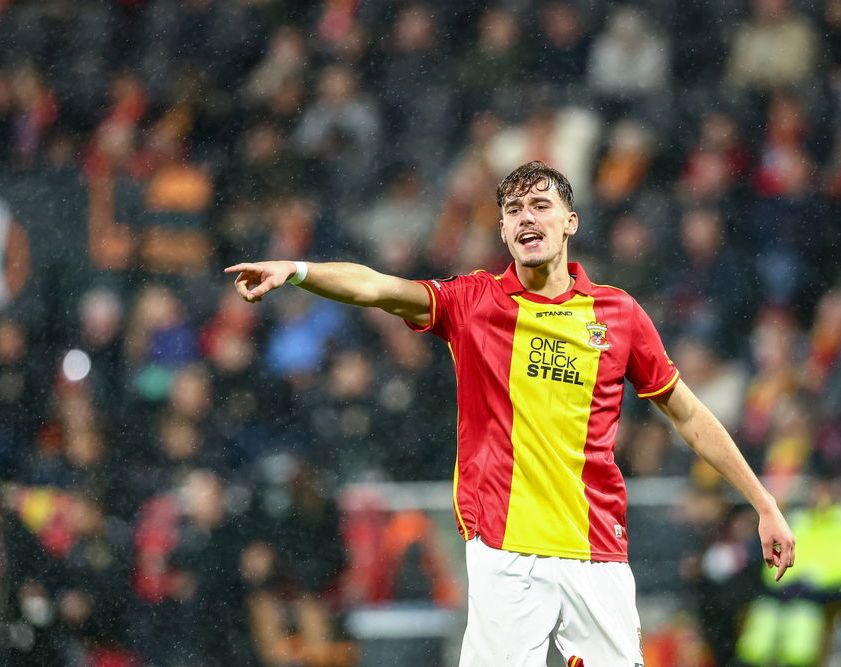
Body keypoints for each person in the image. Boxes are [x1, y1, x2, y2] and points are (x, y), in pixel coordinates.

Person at [225, 161, 796, 666]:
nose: (527, 217)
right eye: (514, 209)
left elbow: (688, 415)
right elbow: (377, 287)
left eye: (541, 205)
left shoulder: (618, 314)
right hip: (506, 549)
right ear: (502, 230)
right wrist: (297, 270)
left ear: (570, 222)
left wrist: (763, 502)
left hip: (596, 548)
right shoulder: (474, 302)